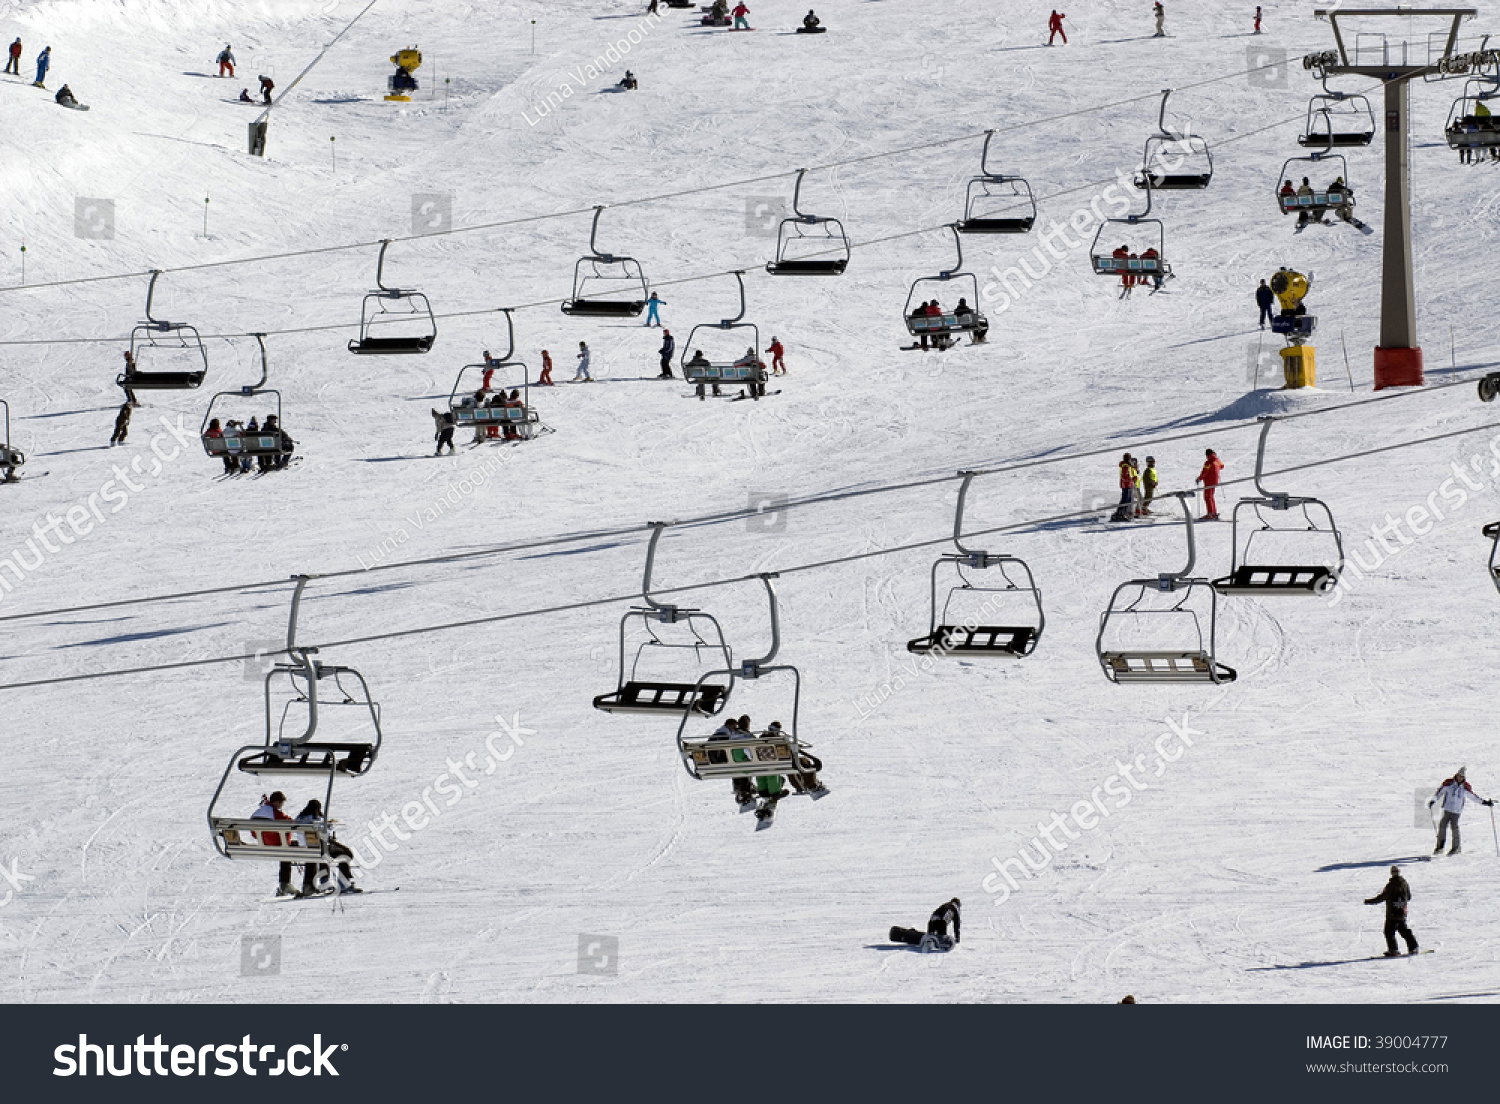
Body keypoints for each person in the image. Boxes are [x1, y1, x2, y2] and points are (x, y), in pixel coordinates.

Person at [295, 799, 361, 896]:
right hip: (321, 847)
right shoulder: (317, 819)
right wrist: (329, 824)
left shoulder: (300, 819)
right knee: (344, 853)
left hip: (306, 847)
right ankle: (344, 883)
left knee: (319, 855)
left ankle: (310, 885)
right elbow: (325, 831)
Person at [1429, 767, 1492, 855]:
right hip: (1447, 809)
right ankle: (1440, 847)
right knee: (1442, 826)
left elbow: (1474, 797)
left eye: (1461, 776)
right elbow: (1439, 792)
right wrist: (1433, 800)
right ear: (1456, 775)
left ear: (1464, 778)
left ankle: (1456, 848)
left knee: (1454, 828)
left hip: (1456, 811)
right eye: (1459, 775)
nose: (1459, 778)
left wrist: (1484, 802)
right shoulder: (1449, 784)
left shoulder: (1465, 788)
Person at [251, 791, 298, 897]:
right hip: (277, 843)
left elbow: (254, 833)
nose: (282, 805)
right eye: (281, 803)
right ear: (277, 802)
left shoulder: (261, 811)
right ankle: (286, 883)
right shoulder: (275, 812)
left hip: (265, 843)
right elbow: (289, 822)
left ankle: (284, 885)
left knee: (287, 848)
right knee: (292, 847)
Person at [1364, 866, 1418, 957]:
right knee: (1403, 929)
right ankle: (1413, 947)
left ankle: (1393, 950)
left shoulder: (1390, 885)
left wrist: (1369, 901)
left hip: (1392, 912)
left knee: (1389, 931)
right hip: (1402, 911)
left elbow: (1383, 896)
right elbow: (1408, 897)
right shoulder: (1404, 883)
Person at [889, 898, 961, 950]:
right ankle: (936, 944)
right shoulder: (954, 909)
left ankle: (928, 942)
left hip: (932, 921)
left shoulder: (945, 905)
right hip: (942, 922)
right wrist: (957, 938)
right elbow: (956, 925)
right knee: (939, 938)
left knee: (930, 936)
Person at [1196, 448, 1223, 520]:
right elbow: (1222, 466)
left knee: (1207, 497)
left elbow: (1205, 472)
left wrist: (1199, 478)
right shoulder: (1217, 461)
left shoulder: (1208, 462)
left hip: (1209, 482)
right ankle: (1213, 512)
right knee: (1211, 497)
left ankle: (1210, 514)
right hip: (1214, 482)